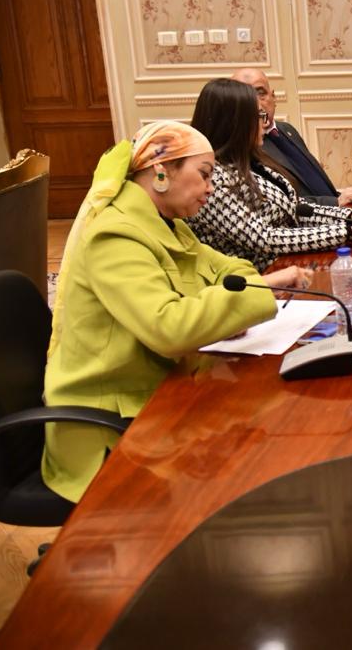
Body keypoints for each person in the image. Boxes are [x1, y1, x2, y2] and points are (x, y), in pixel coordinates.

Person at [41, 121, 306, 502]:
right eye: (204, 174)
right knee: (240, 471)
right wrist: (252, 295)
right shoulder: (114, 235)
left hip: (163, 388)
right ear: (161, 172)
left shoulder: (168, 224)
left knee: (263, 433)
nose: (211, 188)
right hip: (113, 420)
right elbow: (169, 329)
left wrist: (232, 304)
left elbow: (232, 270)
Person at [187, 79, 352, 270]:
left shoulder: (249, 164)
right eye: (258, 117)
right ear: (235, 124)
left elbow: (295, 210)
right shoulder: (212, 181)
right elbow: (265, 238)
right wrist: (347, 232)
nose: (265, 123)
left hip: (290, 266)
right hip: (260, 279)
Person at [232, 67, 352, 207]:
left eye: (260, 93)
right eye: (245, 97)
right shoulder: (243, 148)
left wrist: (341, 198)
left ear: (273, 97)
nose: (255, 103)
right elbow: (277, 203)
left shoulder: (286, 130)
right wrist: (334, 202)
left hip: (337, 212)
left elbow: (313, 184)